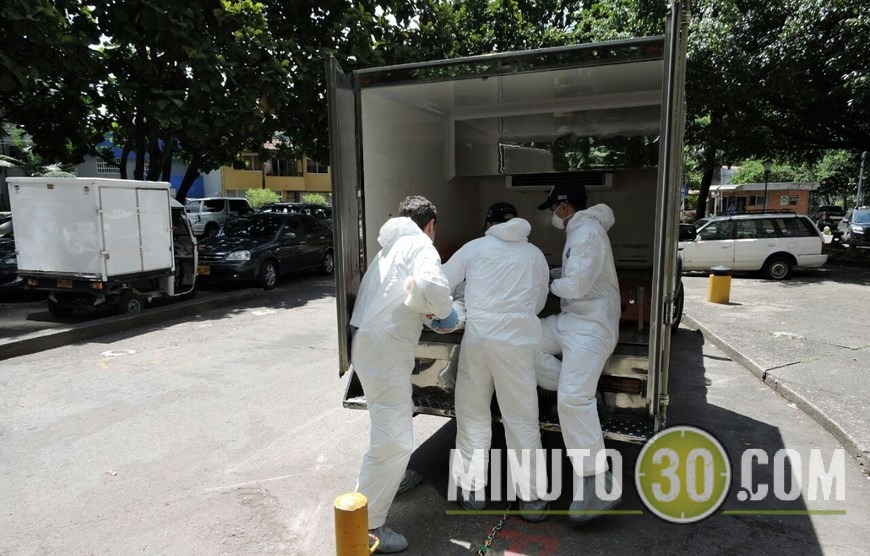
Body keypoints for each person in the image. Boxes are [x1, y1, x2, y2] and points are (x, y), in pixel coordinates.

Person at [350, 195, 458, 553]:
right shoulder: (420, 245)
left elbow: (394, 297)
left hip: (369, 346)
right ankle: (367, 527)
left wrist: (421, 310)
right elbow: (434, 286)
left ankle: (363, 512)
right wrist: (444, 314)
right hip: (386, 351)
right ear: (430, 225)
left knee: (388, 437)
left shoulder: (388, 251)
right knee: (393, 442)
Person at [441, 202, 550, 522]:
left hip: (478, 343)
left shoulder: (474, 248)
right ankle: (531, 501)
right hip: (517, 348)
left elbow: (441, 283)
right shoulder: (536, 256)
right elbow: (540, 301)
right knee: (522, 421)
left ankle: (472, 493)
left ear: (488, 223)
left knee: (473, 417)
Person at [535, 184, 622, 522]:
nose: (552, 216)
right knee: (523, 343)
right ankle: (582, 391)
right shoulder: (580, 231)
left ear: (564, 208)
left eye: (553, 210)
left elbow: (576, 286)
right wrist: (552, 273)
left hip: (593, 326)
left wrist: (541, 282)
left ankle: (597, 483)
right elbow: (571, 278)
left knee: (571, 400)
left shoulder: (587, 232)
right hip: (572, 319)